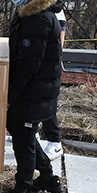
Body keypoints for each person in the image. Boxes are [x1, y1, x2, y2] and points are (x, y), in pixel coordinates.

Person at [0, 0, 65, 193]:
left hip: (34, 91)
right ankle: (47, 178)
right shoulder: (29, 13)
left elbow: (28, 66)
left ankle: (21, 191)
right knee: (21, 131)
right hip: (32, 89)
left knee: (23, 138)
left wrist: (9, 97)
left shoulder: (39, 19)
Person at [38, 9, 66, 160]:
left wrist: (57, 56)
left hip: (47, 64)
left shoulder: (54, 8)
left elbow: (60, 30)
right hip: (38, 60)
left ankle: (54, 142)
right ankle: (33, 133)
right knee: (33, 98)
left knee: (46, 102)